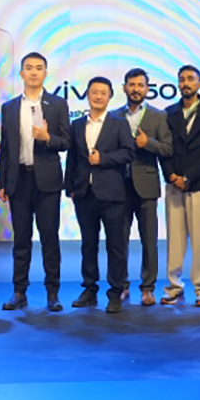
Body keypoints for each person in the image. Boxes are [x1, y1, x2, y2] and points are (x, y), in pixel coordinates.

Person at [0, 52, 71, 311]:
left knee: (49, 239)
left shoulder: (58, 104)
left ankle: (53, 293)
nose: (33, 72)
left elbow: (66, 142)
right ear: (21, 73)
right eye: (28, 68)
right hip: (19, 181)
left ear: (45, 73)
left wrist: (47, 137)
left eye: (39, 68)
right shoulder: (9, 107)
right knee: (21, 240)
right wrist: (3, 182)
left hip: (47, 182)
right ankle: (19, 292)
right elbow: (5, 148)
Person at [65, 77, 136, 313]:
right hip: (84, 194)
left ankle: (115, 292)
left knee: (116, 245)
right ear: (87, 95)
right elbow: (72, 158)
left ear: (110, 96)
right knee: (89, 244)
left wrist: (103, 158)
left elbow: (129, 153)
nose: (98, 96)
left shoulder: (119, 124)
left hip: (113, 194)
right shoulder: (76, 125)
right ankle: (89, 289)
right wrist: (70, 187)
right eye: (94, 92)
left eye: (103, 93)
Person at [110, 68, 173, 306]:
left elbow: (168, 148)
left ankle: (148, 288)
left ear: (147, 88)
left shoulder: (159, 116)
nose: (136, 89)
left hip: (146, 186)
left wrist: (149, 143)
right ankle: (121, 285)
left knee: (149, 240)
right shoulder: (114, 116)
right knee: (119, 240)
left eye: (140, 85)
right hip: (119, 187)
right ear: (124, 87)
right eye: (132, 84)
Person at [160, 65, 200, 306]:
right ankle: (174, 287)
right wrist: (172, 176)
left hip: (199, 183)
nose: (186, 83)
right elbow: (164, 150)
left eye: (190, 79)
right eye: (182, 79)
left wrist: (188, 177)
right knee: (174, 240)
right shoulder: (168, 113)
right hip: (174, 184)